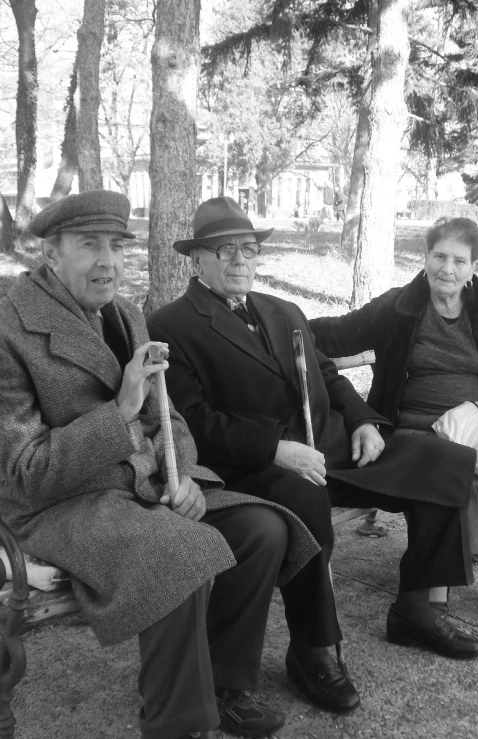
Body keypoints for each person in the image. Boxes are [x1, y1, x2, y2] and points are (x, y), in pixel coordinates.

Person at [0, 190, 321, 739]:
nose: (108, 261)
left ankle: (225, 686)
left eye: (116, 246)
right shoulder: (10, 330)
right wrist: (120, 411)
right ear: (51, 256)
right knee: (178, 553)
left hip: (146, 488)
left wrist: (187, 478)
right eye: (88, 246)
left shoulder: (125, 315)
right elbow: (26, 472)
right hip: (58, 508)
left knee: (263, 529)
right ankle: (175, 723)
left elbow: (168, 418)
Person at [147, 196, 478, 690]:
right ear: (196, 259)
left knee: (442, 459)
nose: (240, 260)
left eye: (248, 249)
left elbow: (328, 376)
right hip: (263, 467)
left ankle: (417, 609)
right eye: (223, 251)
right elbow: (193, 421)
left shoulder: (283, 310)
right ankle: (313, 649)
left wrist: (365, 421)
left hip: (336, 449)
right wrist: (275, 450)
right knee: (304, 500)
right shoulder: (171, 326)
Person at [310, 216, 478, 634]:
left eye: (460, 260)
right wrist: (278, 325)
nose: (448, 269)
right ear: (425, 258)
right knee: (448, 469)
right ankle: (433, 585)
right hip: (414, 428)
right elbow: (335, 334)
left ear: (473, 266)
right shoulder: (398, 308)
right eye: (439, 256)